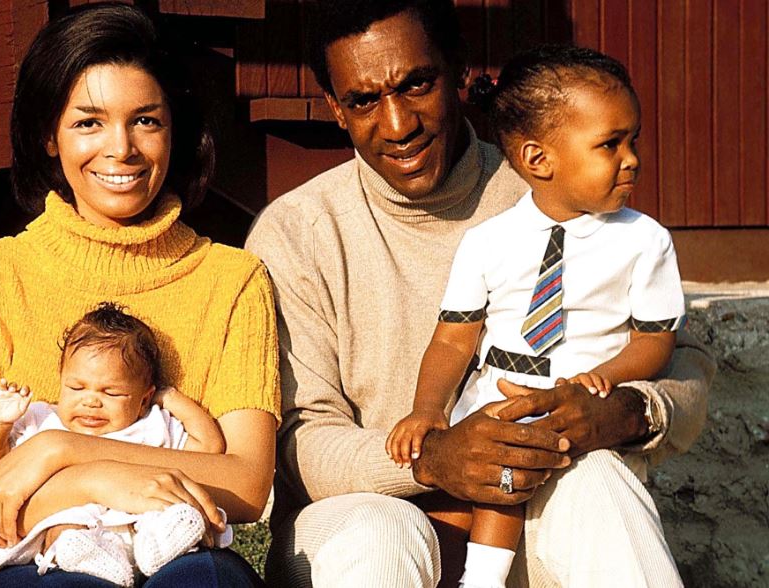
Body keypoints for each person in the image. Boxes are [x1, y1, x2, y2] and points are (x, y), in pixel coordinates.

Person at [244, 1, 714, 586]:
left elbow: (681, 362)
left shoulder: (553, 186)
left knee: (597, 485)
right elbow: (298, 440)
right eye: (364, 100)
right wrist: (433, 459)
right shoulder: (298, 231)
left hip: (533, 498)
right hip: (360, 520)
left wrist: (617, 412)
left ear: (460, 74)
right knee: (380, 537)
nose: (397, 124)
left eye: (417, 84)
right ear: (337, 110)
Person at [0, 4, 279, 587]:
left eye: (146, 121)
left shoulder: (233, 278)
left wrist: (56, 451)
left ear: (175, 131)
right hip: (43, 562)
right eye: (89, 122)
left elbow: (243, 483)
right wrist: (92, 483)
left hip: (181, 559)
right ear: (47, 135)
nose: (122, 150)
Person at [386, 45, 687, 588]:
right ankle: (481, 579)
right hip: (504, 392)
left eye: (633, 139)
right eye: (610, 145)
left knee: (571, 481)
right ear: (537, 159)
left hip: (580, 408)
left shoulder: (645, 242)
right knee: (500, 463)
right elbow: (455, 341)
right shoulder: (489, 241)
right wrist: (427, 410)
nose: (632, 158)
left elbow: (655, 341)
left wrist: (607, 377)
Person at [0, 302, 230, 586]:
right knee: (65, 527)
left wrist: (169, 398)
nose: (91, 400)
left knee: (170, 510)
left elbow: (209, 445)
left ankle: (162, 546)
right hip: (75, 528)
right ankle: (86, 558)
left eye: (111, 392)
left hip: (140, 529)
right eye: (76, 388)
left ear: (143, 399)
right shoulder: (42, 420)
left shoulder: (151, 425)